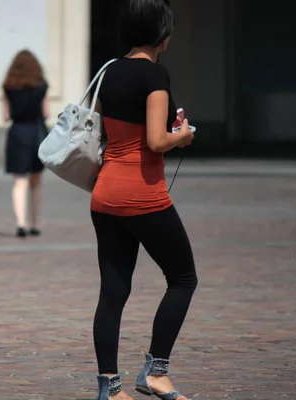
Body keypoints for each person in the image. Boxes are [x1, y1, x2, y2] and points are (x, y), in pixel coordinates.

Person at [90, 1, 197, 399]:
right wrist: (183, 136)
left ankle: (109, 388)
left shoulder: (106, 72)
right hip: (143, 196)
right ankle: (156, 371)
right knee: (183, 278)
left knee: (113, 294)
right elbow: (155, 141)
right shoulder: (155, 75)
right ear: (162, 36)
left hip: (104, 196)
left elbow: (102, 134)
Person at [2, 50, 49, 238]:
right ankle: (35, 223)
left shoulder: (8, 86)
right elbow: (46, 113)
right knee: (35, 183)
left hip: (17, 133)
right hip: (36, 133)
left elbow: (5, 116)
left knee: (19, 182)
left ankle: (20, 223)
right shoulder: (41, 86)